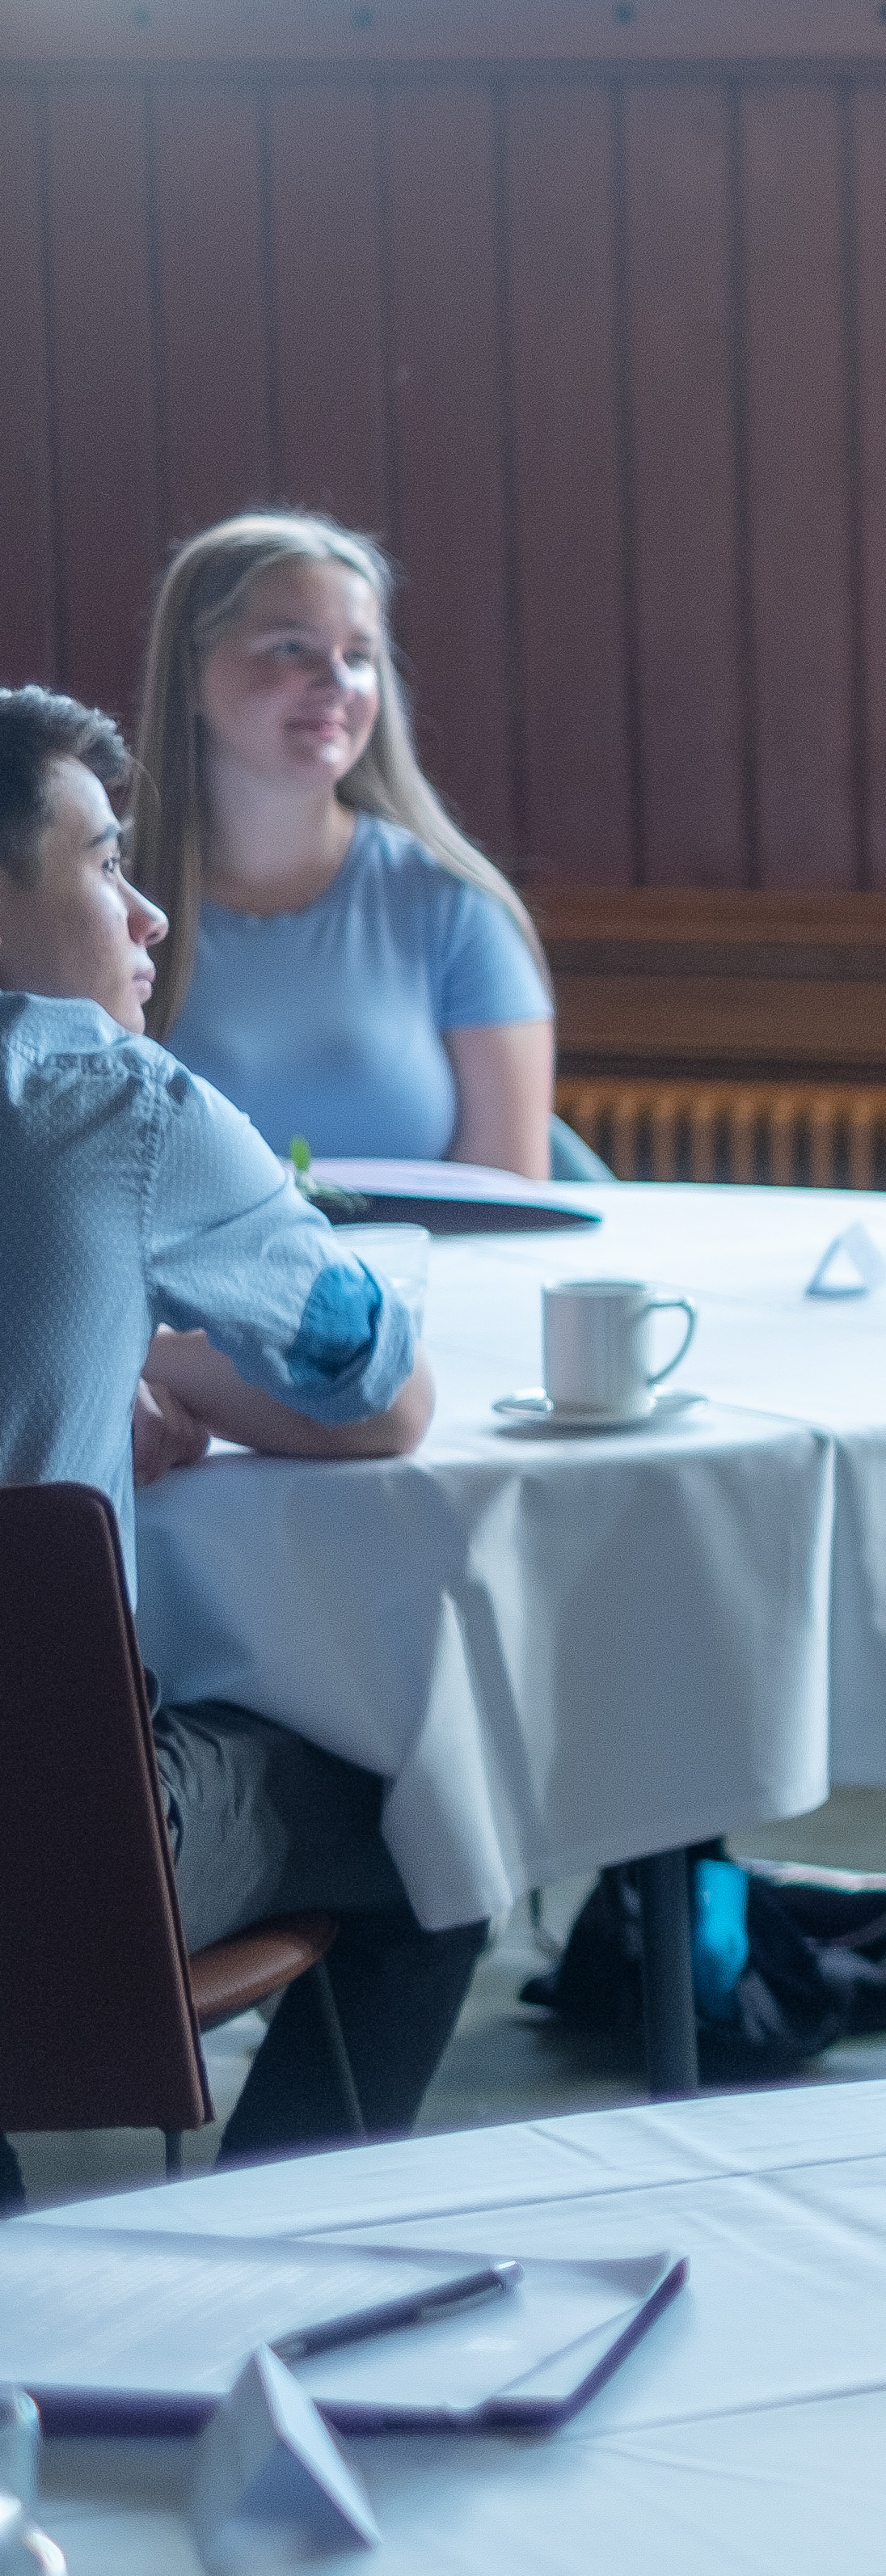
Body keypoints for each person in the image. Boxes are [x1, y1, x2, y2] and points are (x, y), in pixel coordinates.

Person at [0, 685, 475, 2199]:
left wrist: (107, 1346)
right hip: (44, 1844)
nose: (143, 917)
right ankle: (269, 2261)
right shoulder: (102, 1101)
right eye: (101, 862)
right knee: (437, 1836)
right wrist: (182, 1374)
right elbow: (376, 1387)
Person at [128, 513, 555, 1180]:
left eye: (359, 656)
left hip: (415, 1283)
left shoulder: (453, 906)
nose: (335, 681)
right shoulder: (103, 903)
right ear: (192, 667)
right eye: (291, 647)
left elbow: (507, 1207)